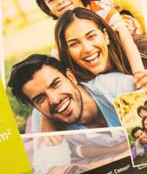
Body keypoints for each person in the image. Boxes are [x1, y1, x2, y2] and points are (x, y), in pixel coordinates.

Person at [34, 0, 147, 79]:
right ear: (48, 9)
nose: (60, 1)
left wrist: (138, 73)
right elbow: (56, 60)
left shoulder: (103, 11)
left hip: (132, 51)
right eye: (51, 0)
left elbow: (127, 40)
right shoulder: (62, 30)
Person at [7, 54, 135, 131]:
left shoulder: (117, 88)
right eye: (40, 98)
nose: (54, 99)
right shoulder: (42, 125)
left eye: (55, 84)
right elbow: (51, 167)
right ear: (35, 107)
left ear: (71, 77)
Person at [55, 7, 147, 89]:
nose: (87, 49)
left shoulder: (145, 50)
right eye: (74, 44)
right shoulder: (77, 86)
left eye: (91, 36)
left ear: (105, 36)